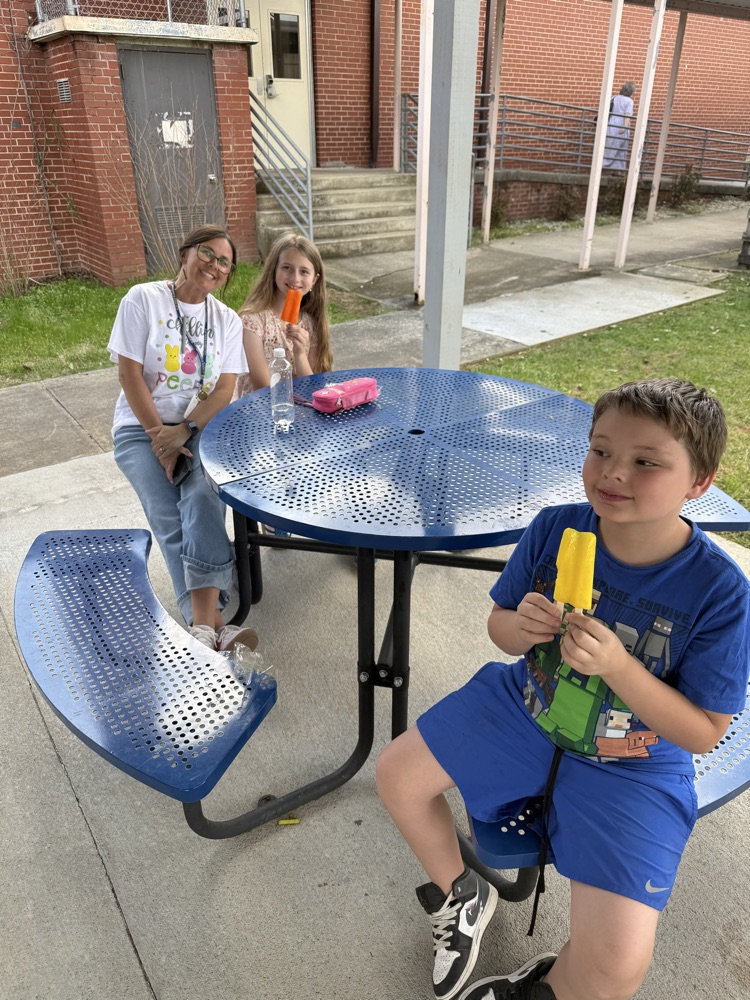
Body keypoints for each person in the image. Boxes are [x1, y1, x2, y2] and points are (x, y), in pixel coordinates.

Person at [376, 377, 750, 1000]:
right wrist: (518, 628)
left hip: (635, 758)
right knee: (397, 775)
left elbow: (704, 731)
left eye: (645, 462)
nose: (613, 473)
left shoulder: (719, 591)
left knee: (616, 968)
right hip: (528, 705)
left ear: (699, 481)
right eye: (600, 450)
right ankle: (460, 894)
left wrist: (620, 668)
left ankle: (544, 987)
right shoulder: (556, 529)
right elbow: (500, 629)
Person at [108, 224, 258, 653]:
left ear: (228, 274)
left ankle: (202, 632)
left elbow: (225, 389)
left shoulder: (226, 320)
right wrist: (160, 438)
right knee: (168, 515)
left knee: (203, 497)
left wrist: (185, 432)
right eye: (207, 253)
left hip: (198, 428)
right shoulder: (143, 299)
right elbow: (128, 374)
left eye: (224, 261)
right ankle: (212, 625)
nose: (214, 265)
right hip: (140, 429)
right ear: (185, 253)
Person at [235, 231, 333, 397]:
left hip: (302, 409)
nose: (295, 278)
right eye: (287, 268)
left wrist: (300, 353)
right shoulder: (252, 320)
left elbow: (313, 389)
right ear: (274, 270)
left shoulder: (310, 323)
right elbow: (263, 386)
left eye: (304, 271)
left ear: (314, 281)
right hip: (260, 411)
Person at [603, 81, 636, 171]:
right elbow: (627, 114)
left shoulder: (614, 97)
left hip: (611, 122)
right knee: (621, 147)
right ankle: (617, 168)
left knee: (610, 143)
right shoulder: (629, 101)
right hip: (621, 122)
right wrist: (625, 127)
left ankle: (605, 163)